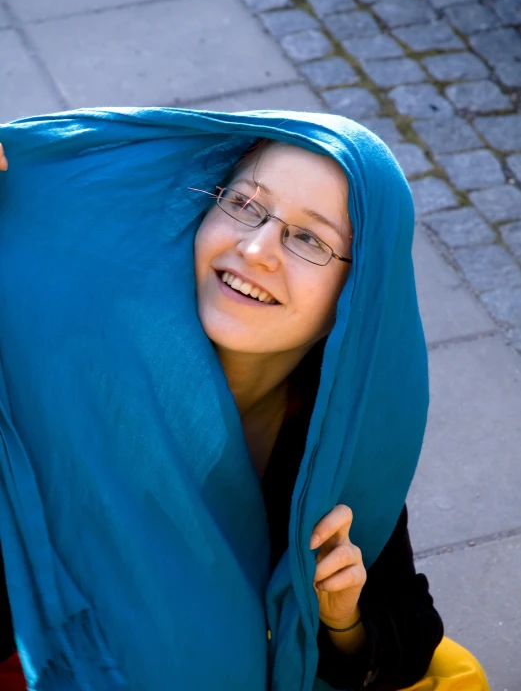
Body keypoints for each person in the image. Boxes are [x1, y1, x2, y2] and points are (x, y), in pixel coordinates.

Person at [0, 110, 489, 690]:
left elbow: (405, 638)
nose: (256, 249)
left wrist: (341, 619)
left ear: (357, 295)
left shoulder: (330, 429)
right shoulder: (90, 352)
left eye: (309, 239)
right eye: (244, 205)